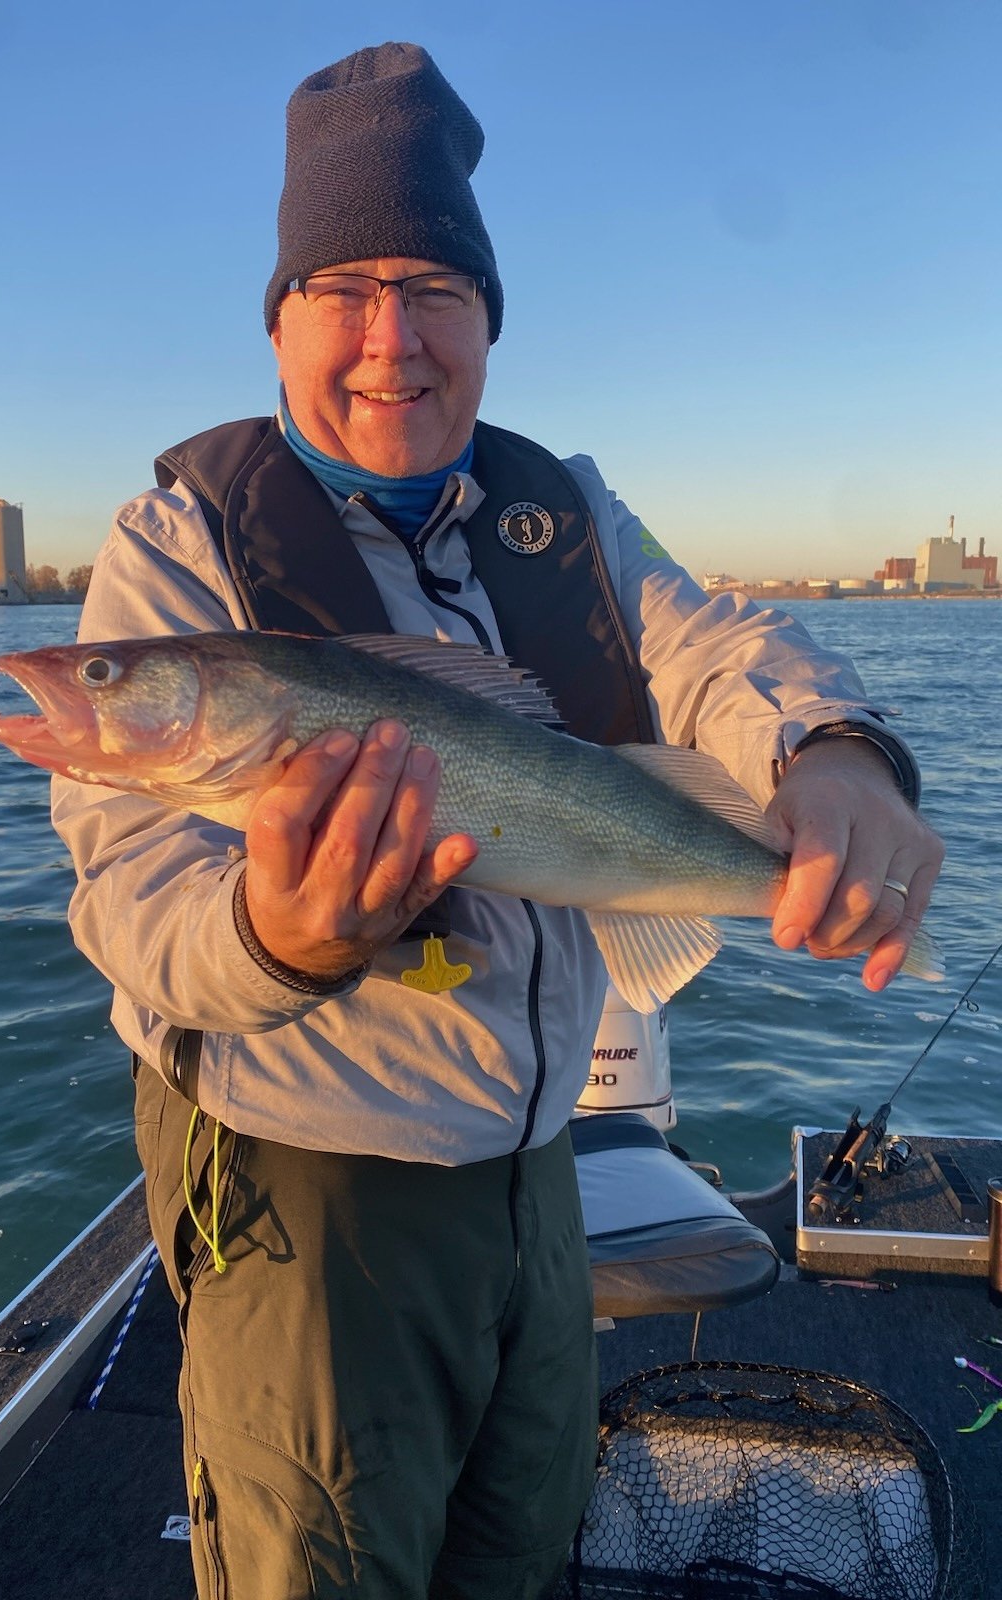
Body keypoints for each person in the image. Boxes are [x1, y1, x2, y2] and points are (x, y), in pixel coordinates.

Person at [51, 41, 944, 1600]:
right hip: (309, 1188)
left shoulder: (564, 509)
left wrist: (836, 756)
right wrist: (276, 934)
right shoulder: (184, 547)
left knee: (522, 1545)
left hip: (538, 1170)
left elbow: (719, 643)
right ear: (278, 321)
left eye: (435, 289)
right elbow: (130, 904)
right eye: (342, 287)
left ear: (487, 320)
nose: (392, 339)